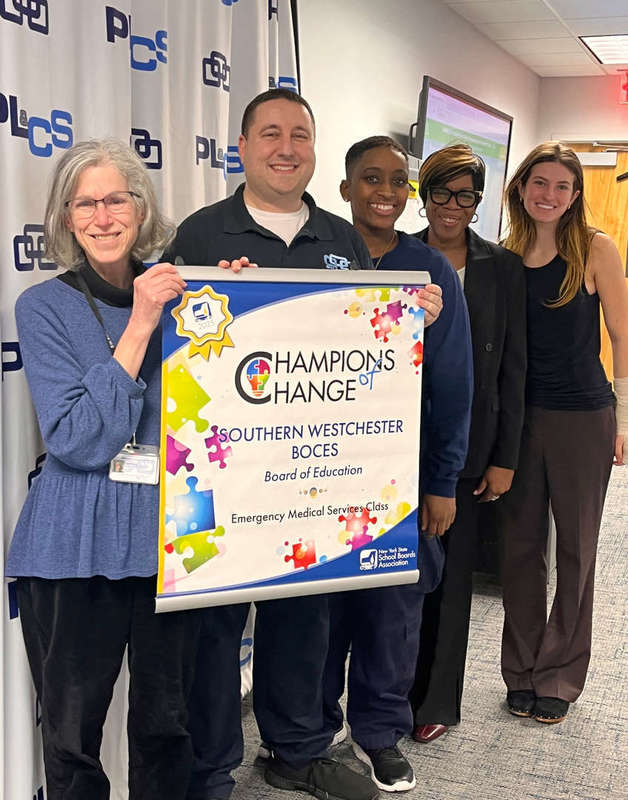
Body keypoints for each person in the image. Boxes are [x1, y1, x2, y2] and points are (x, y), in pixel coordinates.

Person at [165, 92, 442, 800]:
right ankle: (211, 764)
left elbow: (363, 355)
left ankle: (297, 749)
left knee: (302, 616)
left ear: (314, 150)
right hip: (226, 475)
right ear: (243, 146)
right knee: (215, 626)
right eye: (271, 134)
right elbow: (163, 357)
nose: (286, 147)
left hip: (309, 479)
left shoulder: (340, 240)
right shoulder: (199, 235)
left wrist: (411, 316)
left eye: (300, 135)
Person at [6, 139, 201, 799]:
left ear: (140, 208)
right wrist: (142, 323)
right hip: (69, 551)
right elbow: (78, 440)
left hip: (169, 544)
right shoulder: (42, 308)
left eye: (116, 198)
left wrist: (234, 300)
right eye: (84, 203)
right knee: (71, 740)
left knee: (169, 730)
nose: (102, 215)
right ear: (65, 218)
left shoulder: (188, 298)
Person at [321, 136, 473, 792]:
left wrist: (442, 480)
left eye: (398, 181)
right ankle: (317, 730)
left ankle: (380, 734)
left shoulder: (428, 269)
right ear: (345, 187)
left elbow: (454, 382)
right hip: (319, 473)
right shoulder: (318, 257)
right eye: (370, 178)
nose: (386, 191)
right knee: (320, 614)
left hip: (402, 480)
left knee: (393, 614)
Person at [499, 142, 628, 724]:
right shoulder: (503, 256)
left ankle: (560, 674)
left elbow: (623, 338)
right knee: (521, 549)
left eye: (562, 187)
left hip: (583, 417)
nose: (549, 195)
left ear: (575, 197)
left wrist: (624, 420)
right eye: (540, 183)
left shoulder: (596, 250)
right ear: (522, 187)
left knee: (576, 550)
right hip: (521, 422)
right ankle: (521, 670)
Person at [408, 144, 527, 742]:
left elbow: (514, 366)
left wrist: (504, 457)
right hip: (393, 444)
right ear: (423, 196)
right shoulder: (397, 256)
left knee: (451, 587)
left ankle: (434, 703)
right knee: (397, 585)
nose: (453, 207)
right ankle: (385, 696)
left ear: (479, 203)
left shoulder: (501, 267)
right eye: (442, 194)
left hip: (467, 447)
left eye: (467, 196)